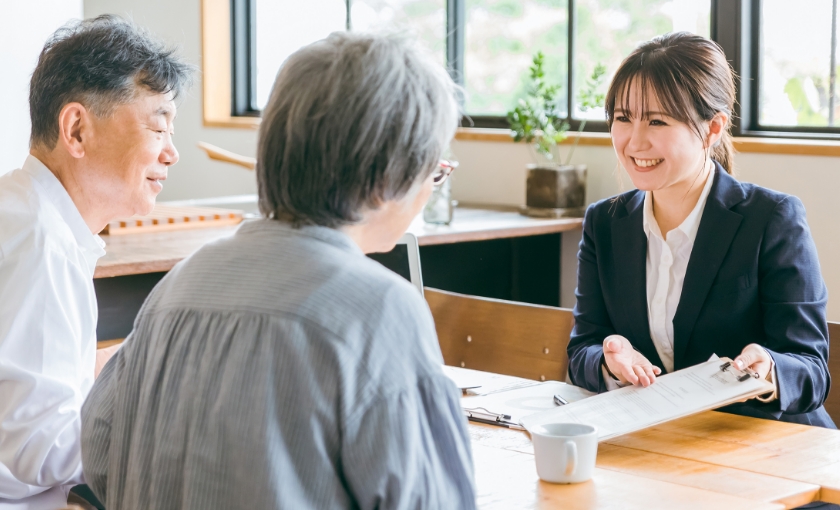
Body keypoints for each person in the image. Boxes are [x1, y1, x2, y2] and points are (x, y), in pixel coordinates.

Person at [81, 32, 476, 509]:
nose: (431, 187)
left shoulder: (178, 286)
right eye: (434, 171)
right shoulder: (381, 310)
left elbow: (99, 456)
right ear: (389, 177)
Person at [566, 32, 834, 428]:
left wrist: (769, 369)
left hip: (771, 442)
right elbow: (581, 350)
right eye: (623, 118)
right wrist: (609, 361)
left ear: (713, 128)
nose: (634, 142)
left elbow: (811, 369)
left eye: (657, 121)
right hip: (665, 440)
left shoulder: (773, 218)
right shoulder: (604, 223)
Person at [0, 15, 192, 509]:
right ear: (77, 129)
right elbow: (41, 449)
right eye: (158, 126)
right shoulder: (43, 244)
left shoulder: (21, 210)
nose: (172, 153)